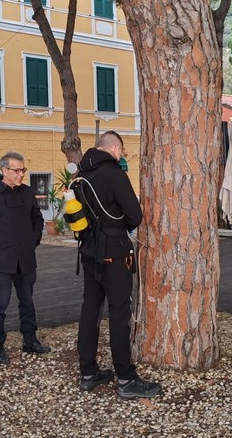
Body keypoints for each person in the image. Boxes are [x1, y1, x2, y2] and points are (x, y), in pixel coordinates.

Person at [75, 131, 162, 399]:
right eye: (121, 152)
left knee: (90, 310)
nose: (121, 156)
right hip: (114, 253)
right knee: (119, 314)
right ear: (114, 149)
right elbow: (135, 216)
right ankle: (126, 379)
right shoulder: (114, 174)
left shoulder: (80, 176)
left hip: (88, 252)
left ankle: (88, 373)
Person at [0, 151, 50, 364]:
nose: (21, 174)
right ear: (4, 171)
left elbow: (37, 219)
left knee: (27, 302)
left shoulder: (27, 193)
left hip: (26, 259)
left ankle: (30, 340)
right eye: (17, 170)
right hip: (0, 261)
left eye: (23, 170)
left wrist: (32, 240)